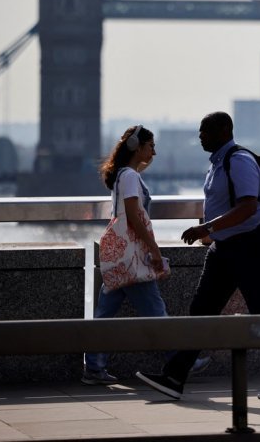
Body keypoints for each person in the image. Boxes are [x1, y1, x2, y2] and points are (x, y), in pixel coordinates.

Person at [136, 111, 260, 400]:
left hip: (251, 245)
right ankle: (174, 377)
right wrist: (212, 235)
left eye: (206, 131)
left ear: (223, 132)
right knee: (201, 310)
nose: (200, 136)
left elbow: (248, 207)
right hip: (226, 248)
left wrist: (207, 226)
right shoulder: (218, 163)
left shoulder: (237, 161)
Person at [83, 125, 209, 385]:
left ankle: (94, 367)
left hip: (121, 256)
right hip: (133, 256)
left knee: (104, 314)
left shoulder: (122, 175)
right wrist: (153, 250)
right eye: (150, 146)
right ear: (136, 147)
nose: (154, 151)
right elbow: (134, 217)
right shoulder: (129, 177)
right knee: (155, 310)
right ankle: (180, 364)